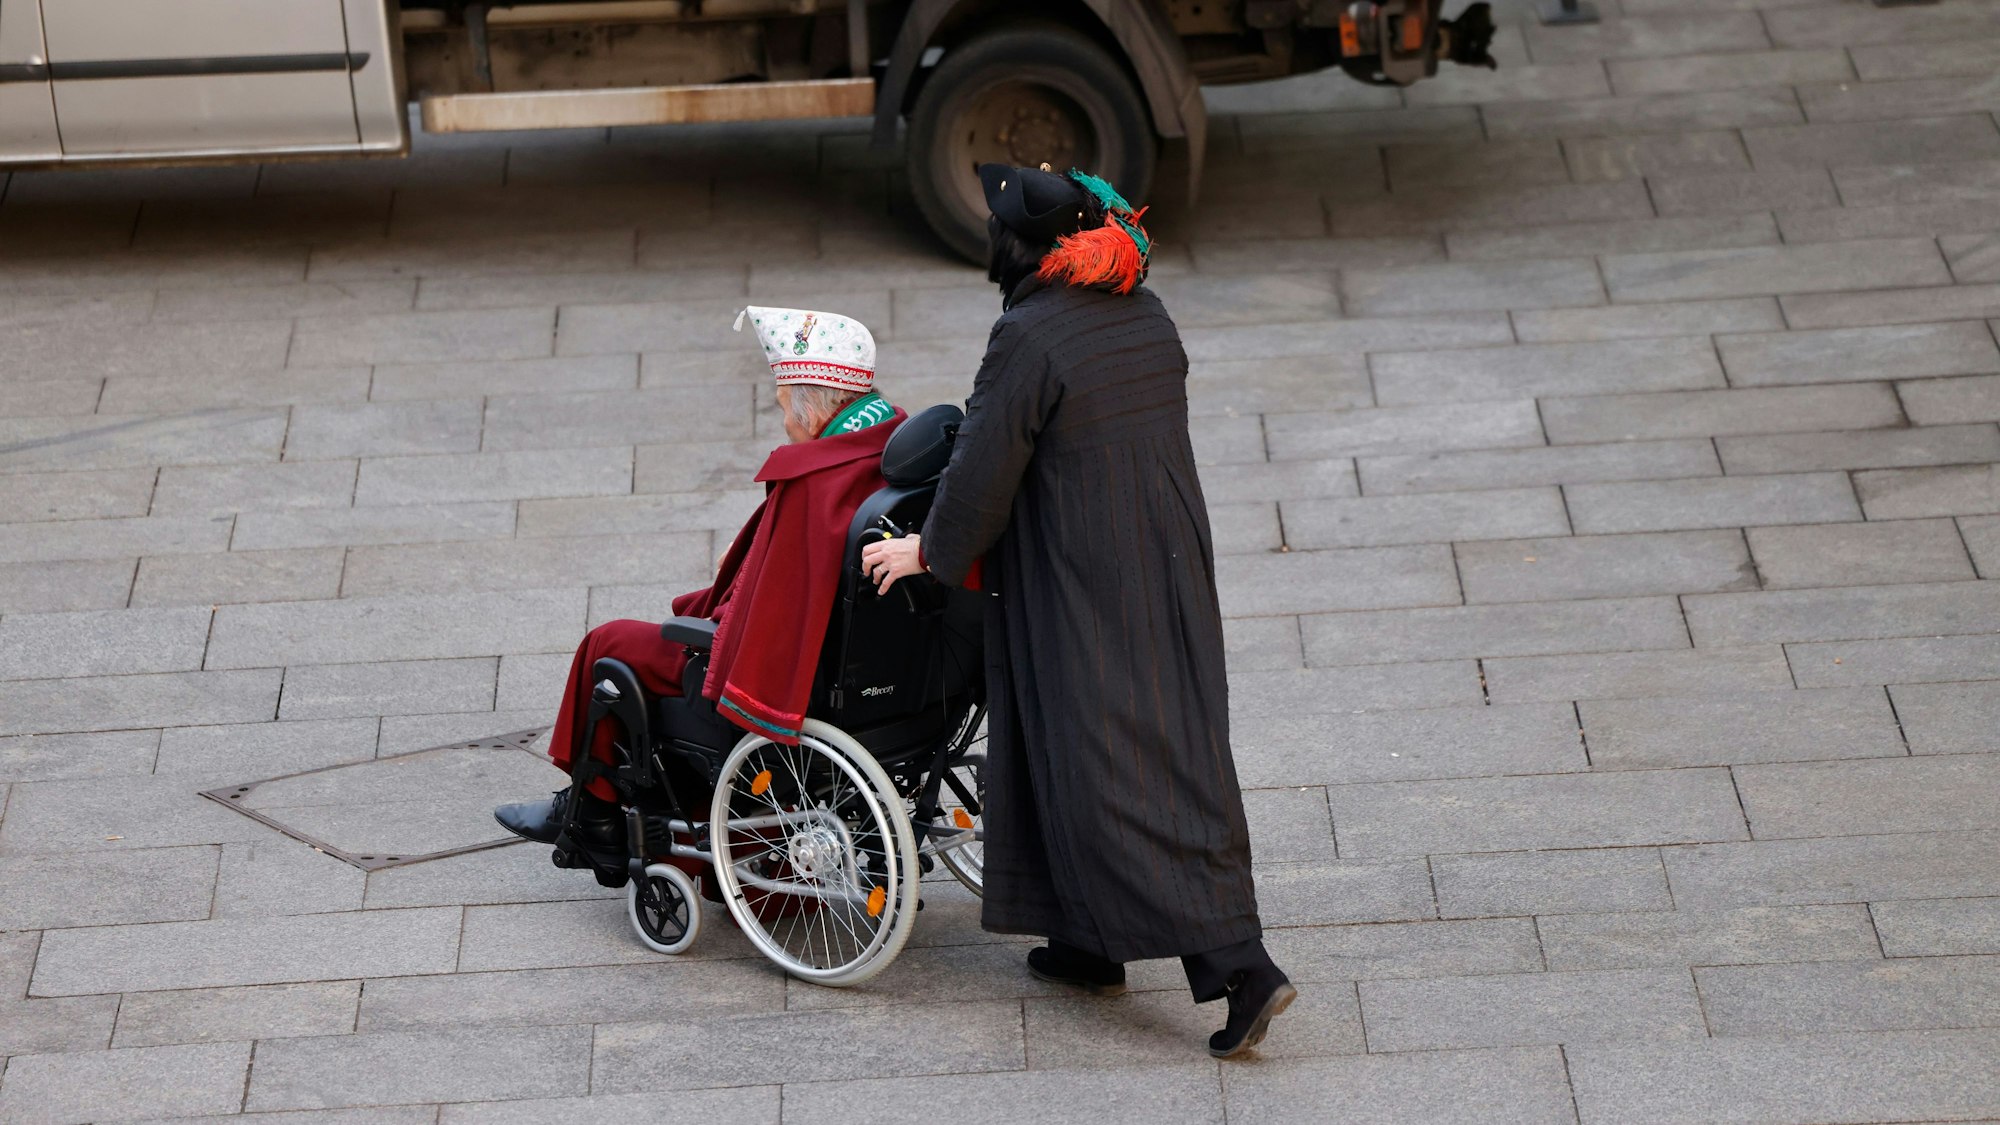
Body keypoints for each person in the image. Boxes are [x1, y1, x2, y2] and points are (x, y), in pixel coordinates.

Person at [861, 164, 1295, 1059]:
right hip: (1163, 566)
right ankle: (1086, 941)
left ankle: (1240, 964)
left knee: (1111, 761)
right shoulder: (1145, 311)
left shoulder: (1029, 334)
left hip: (1079, 577)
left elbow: (983, 466)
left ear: (1018, 246)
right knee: (1132, 742)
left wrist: (926, 552)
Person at [495, 306, 904, 860]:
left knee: (608, 645)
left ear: (814, 412)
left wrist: (713, 617)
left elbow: (765, 621)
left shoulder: (815, 483)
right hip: (890, 684)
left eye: (785, 407)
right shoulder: (893, 445)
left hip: (803, 681)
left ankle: (591, 816)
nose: (784, 422)